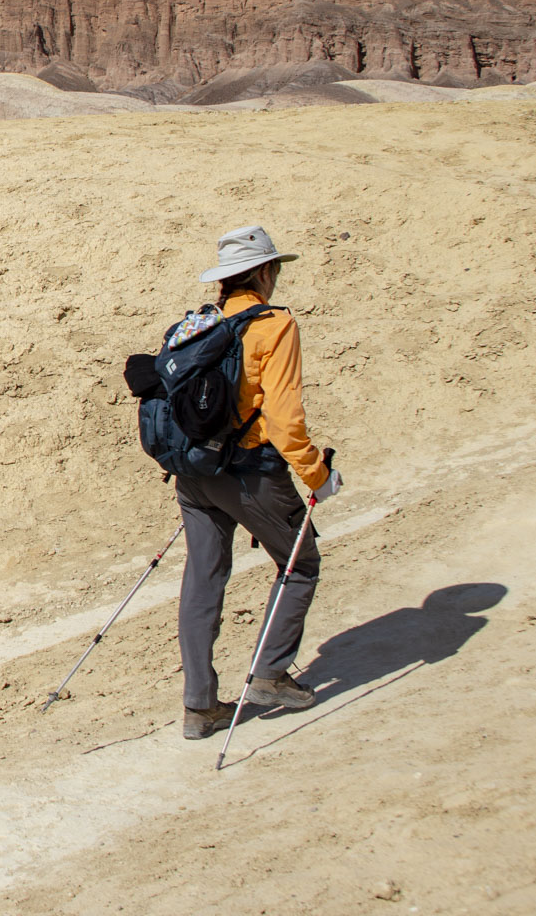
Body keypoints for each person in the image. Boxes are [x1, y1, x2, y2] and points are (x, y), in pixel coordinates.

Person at [179, 225, 342, 740]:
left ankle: (199, 707)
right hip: (251, 474)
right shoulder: (275, 325)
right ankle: (269, 675)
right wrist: (318, 475)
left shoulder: (202, 320)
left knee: (203, 578)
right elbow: (286, 421)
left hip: (194, 471)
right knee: (300, 564)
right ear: (266, 272)